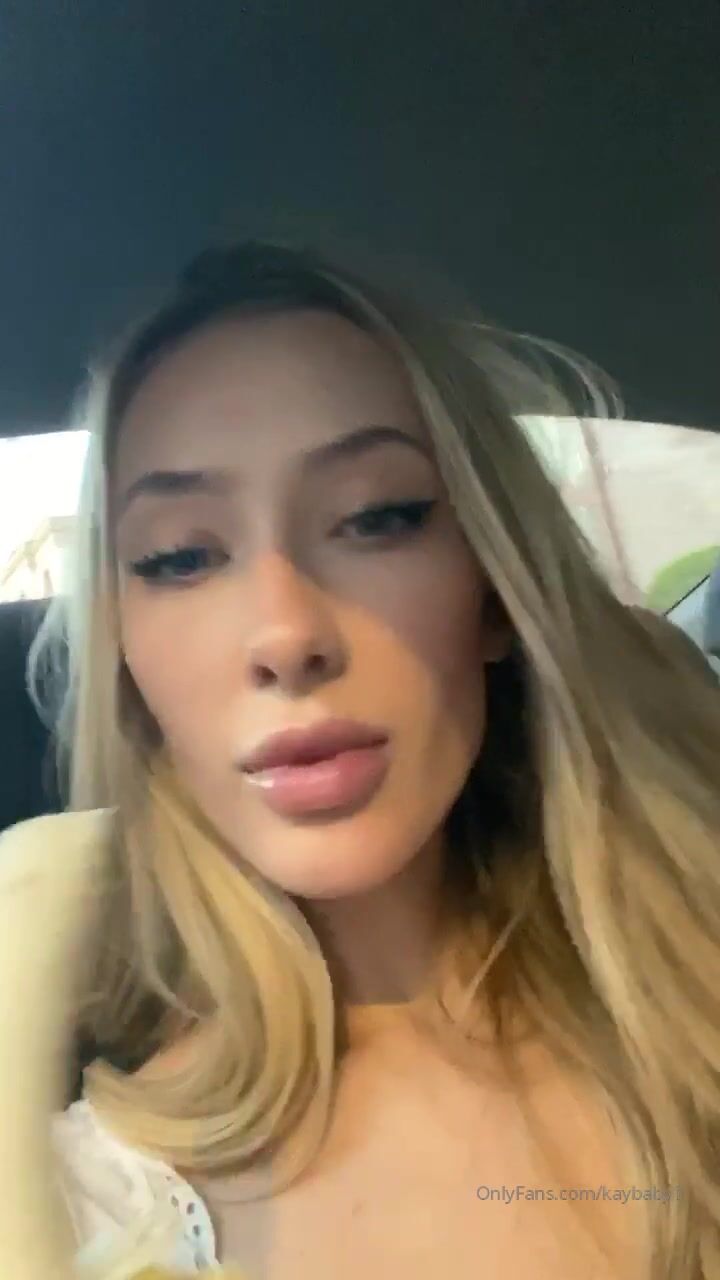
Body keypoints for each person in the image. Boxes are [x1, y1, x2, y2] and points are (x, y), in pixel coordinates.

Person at [0, 238, 718, 1280]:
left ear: (493, 592)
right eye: (181, 556)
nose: (287, 634)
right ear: (127, 657)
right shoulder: (81, 1204)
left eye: (379, 517)